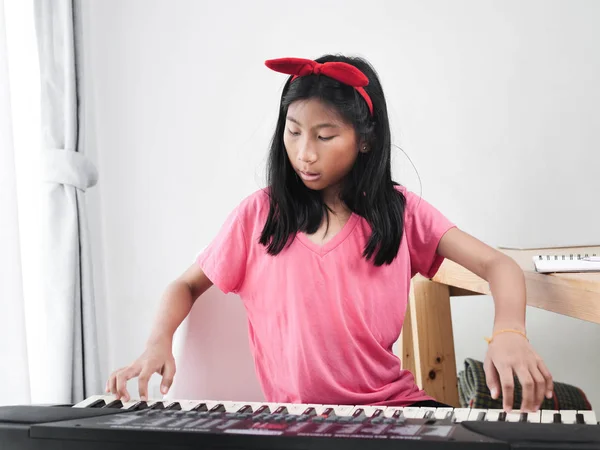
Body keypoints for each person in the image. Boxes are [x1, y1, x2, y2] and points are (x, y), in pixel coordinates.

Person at [106, 54, 553, 413]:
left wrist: (510, 331)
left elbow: (499, 265)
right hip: (294, 423)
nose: (304, 153)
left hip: (391, 411)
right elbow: (185, 284)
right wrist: (156, 342)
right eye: (294, 131)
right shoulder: (259, 215)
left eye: (324, 136)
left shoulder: (400, 213)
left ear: (364, 140)